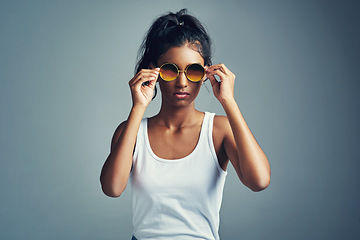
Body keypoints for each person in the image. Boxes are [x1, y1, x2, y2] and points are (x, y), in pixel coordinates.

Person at [100, 9, 271, 240]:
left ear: (205, 72)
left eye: (193, 71)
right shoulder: (130, 131)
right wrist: (138, 107)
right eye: (171, 70)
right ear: (155, 70)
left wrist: (228, 101)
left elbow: (259, 181)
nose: (182, 83)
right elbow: (112, 188)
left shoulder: (219, 130)